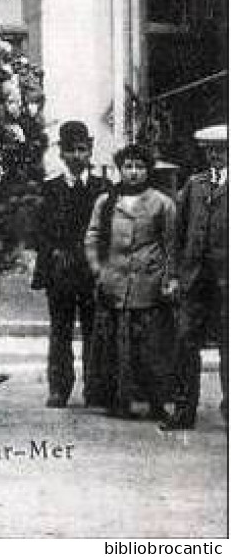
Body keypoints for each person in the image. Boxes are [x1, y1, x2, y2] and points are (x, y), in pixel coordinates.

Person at [85, 143, 177, 420]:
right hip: (113, 282)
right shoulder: (106, 201)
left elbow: (172, 244)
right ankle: (118, 400)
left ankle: (157, 401)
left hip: (148, 283)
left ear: (148, 171)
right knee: (115, 344)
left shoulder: (162, 203)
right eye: (128, 167)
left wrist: (170, 277)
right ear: (120, 169)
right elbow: (92, 235)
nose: (134, 172)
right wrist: (97, 269)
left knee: (150, 346)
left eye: (139, 167)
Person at [31, 120, 108, 408]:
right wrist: (52, 253)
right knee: (60, 329)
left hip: (91, 271)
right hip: (61, 271)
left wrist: (101, 264)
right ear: (61, 153)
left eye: (83, 150)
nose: (78, 156)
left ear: (90, 150)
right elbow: (39, 230)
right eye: (71, 151)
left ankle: (96, 387)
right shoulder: (49, 188)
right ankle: (59, 387)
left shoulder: (103, 187)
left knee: (94, 328)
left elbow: (107, 229)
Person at [161, 124, 228, 430]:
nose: (217, 156)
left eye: (223, 150)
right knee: (185, 341)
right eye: (212, 150)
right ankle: (184, 409)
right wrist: (173, 274)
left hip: (226, 280)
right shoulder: (194, 185)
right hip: (194, 279)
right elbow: (177, 234)